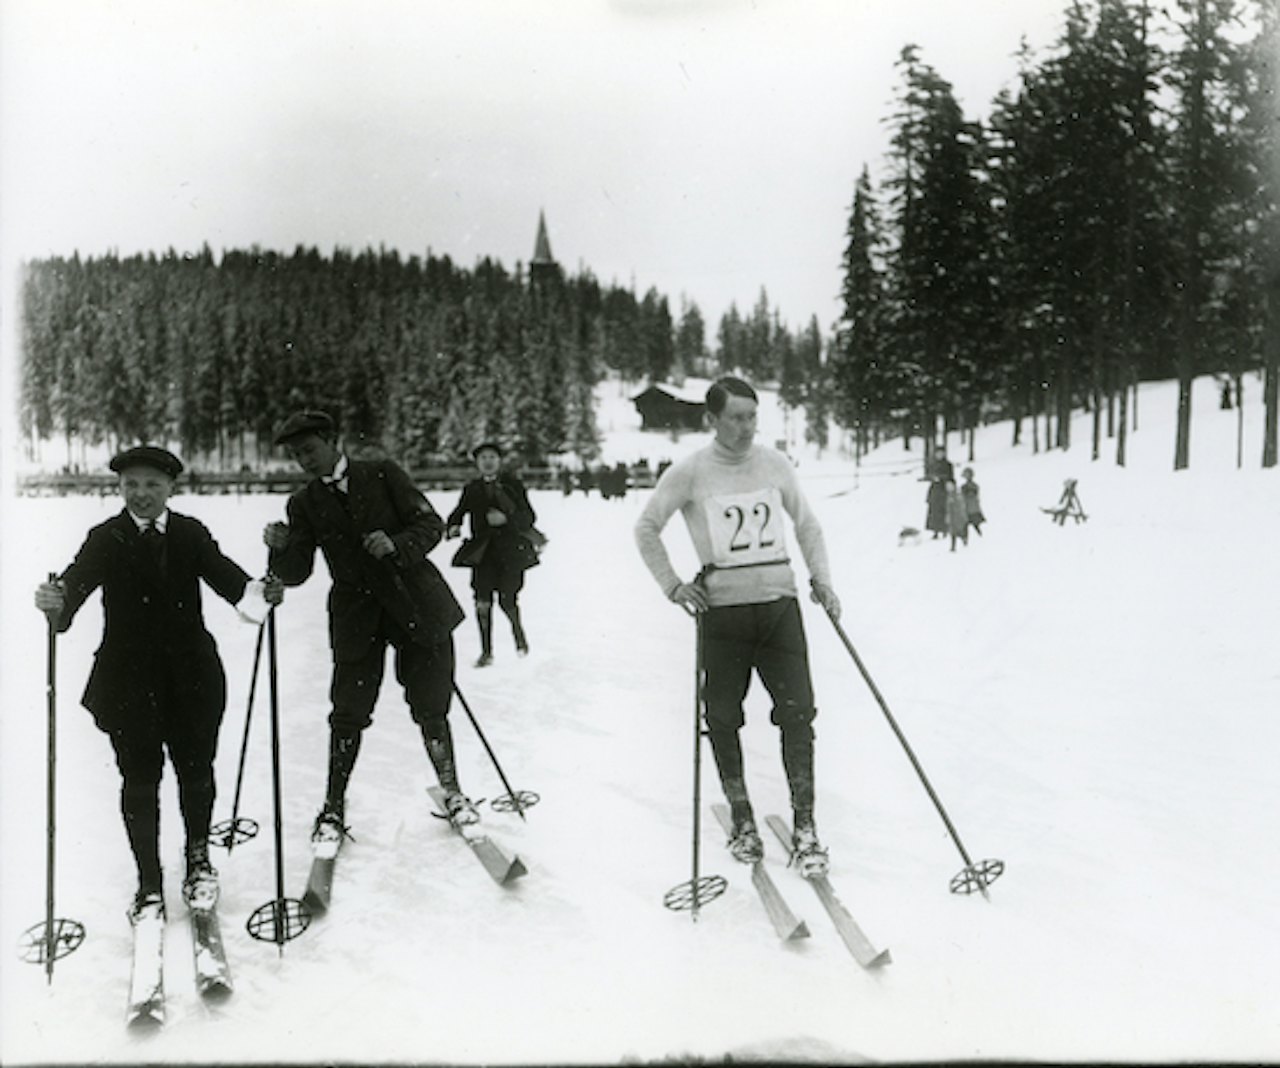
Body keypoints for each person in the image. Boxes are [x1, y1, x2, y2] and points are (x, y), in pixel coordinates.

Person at [32, 446, 282, 923]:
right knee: (140, 778)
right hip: (128, 682)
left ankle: (197, 860)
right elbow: (72, 590)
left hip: (192, 678)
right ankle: (148, 880)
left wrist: (260, 592)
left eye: (151, 485)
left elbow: (232, 583)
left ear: (171, 488)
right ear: (119, 488)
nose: (141, 494)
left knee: (196, 771)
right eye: (131, 485)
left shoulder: (190, 534)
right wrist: (53, 600)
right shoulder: (105, 538)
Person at [634, 376, 841, 877]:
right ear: (713, 420)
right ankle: (743, 820)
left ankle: (806, 827)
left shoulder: (775, 464)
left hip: (779, 607)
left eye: (752, 417)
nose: (747, 428)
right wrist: (674, 586)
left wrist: (823, 580)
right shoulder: (689, 472)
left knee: (798, 714)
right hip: (722, 613)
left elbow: (807, 524)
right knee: (723, 716)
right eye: (736, 418)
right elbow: (646, 527)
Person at [261, 410, 478, 847]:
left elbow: (430, 524)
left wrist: (396, 544)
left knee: (431, 704)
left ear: (333, 440)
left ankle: (453, 793)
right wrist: (280, 551)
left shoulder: (382, 473)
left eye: (310, 449)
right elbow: (298, 571)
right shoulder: (302, 504)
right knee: (348, 712)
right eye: (296, 454)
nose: (304, 460)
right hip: (356, 616)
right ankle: (333, 806)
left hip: (416, 602)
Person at [445, 442, 539, 667]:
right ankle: (486, 652)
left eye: (492, 457)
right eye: (483, 458)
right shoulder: (472, 489)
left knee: (508, 600)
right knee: (482, 602)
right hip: (482, 555)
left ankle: (519, 638)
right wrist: (453, 526)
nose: (488, 461)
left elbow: (529, 517)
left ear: (499, 461)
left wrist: (508, 519)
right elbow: (458, 513)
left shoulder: (513, 486)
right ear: (477, 463)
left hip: (510, 553)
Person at [945, 478, 969, 552]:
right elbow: (947, 507)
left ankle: (964, 539)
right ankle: (953, 546)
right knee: (952, 532)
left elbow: (961, 504)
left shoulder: (958, 494)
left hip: (958, 515)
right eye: (947, 486)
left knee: (959, 530)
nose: (948, 488)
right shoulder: (949, 495)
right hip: (952, 516)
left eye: (950, 486)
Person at [960, 467, 985, 536]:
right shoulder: (966, 486)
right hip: (969, 507)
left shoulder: (970, 486)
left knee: (969, 523)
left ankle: (978, 535)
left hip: (970, 507)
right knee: (968, 524)